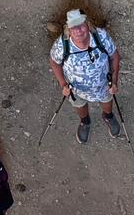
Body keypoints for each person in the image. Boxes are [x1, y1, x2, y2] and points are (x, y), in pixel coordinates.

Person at [49, 9, 121, 144]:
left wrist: (114, 81)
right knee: (79, 104)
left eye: (81, 25)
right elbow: (54, 62)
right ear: (68, 29)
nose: (78, 30)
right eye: (73, 27)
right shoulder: (62, 45)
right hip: (76, 89)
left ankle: (108, 116)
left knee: (107, 100)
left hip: (104, 84)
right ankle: (85, 122)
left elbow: (114, 56)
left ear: (87, 24)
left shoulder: (101, 36)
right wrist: (63, 84)